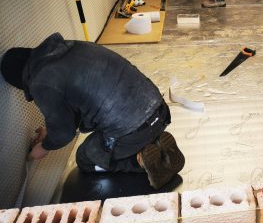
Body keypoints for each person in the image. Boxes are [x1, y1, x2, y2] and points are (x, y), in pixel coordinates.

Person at [1, 32, 185, 190]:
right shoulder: (72, 47)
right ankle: (153, 143)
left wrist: (44, 147)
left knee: (85, 158)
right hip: (158, 110)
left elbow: (65, 133)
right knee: (125, 131)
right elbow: (78, 100)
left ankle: (142, 161)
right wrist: (50, 131)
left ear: (21, 80)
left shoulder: (40, 82)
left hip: (131, 130)